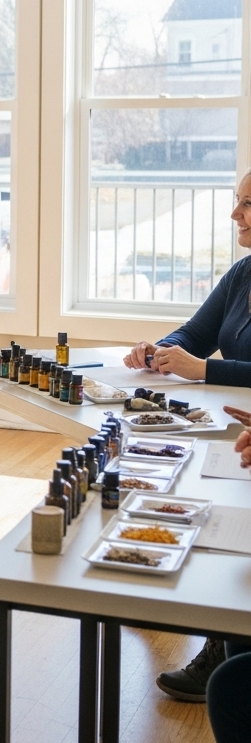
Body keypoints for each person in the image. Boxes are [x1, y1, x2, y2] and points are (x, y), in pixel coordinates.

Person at [123, 169, 251, 700]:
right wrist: (161, 350)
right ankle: (173, 597)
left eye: (245, 204)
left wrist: (205, 371)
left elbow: (207, 361)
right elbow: (194, 333)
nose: (234, 215)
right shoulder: (243, 272)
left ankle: (220, 648)